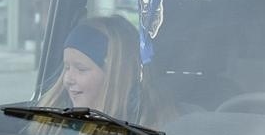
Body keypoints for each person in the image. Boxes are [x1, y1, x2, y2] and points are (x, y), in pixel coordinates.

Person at [37, 14, 170, 126]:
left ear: (117, 76)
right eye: (66, 67)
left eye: (81, 69)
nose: (68, 79)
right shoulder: (52, 125)